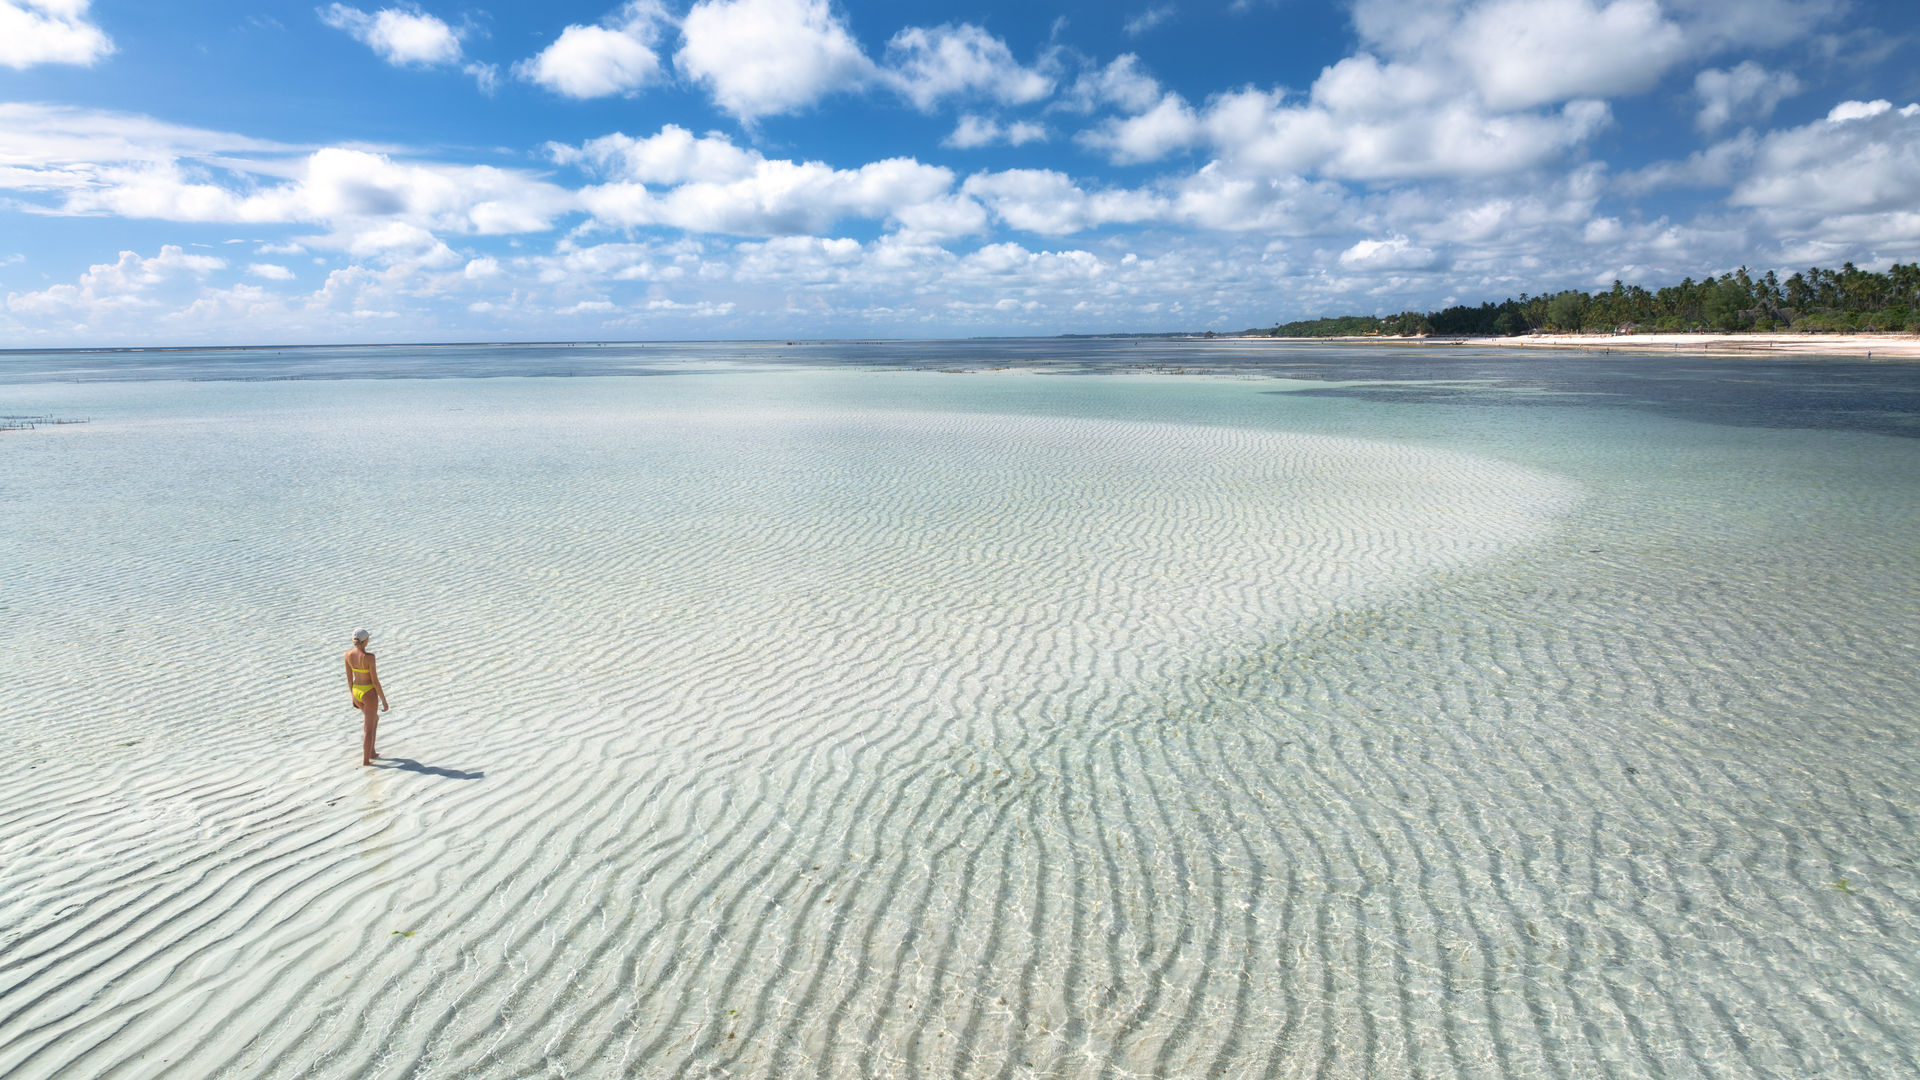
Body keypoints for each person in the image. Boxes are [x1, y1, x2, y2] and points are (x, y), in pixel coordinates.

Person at [345, 629, 388, 766]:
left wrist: (353, 696)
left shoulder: (347, 655)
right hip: (368, 692)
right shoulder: (369, 657)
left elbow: (349, 680)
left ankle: (372, 752)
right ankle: (366, 761)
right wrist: (384, 700)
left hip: (356, 690)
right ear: (365, 641)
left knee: (374, 718)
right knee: (368, 728)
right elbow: (375, 681)